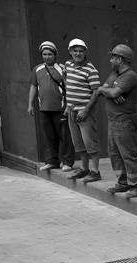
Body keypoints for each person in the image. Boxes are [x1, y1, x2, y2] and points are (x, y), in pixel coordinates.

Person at [92, 44, 137, 199]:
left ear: (120, 59)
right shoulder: (115, 74)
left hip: (124, 121)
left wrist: (109, 92)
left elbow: (110, 91)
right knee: (114, 153)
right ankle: (123, 182)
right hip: (113, 121)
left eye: (113, 57)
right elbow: (104, 89)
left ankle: (136, 185)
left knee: (128, 154)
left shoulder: (130, 76)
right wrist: (108, 92)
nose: (110, 60)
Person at [28, 41, 73, 173]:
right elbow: (33, 87)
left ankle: (67, 162)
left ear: (55, 55)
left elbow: (68, 88)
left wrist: (68, 105)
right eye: (44, 54)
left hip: (60, 108)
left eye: (49, 54)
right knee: (49, 137)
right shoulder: (37, 69)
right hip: (44, 109)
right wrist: (30, 104)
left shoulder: (62, 69)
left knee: (64, 136)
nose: (47, 57)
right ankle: (52, 161)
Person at [64, 38, 102, 183]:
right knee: (78, 143)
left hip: (85, 113)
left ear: (85, 52)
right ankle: (84, 169)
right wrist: (68, 105)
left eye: (81, 51)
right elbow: (67, 81)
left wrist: (86, 110)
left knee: (90, 143)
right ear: (70, 52)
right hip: (72, 111)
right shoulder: (67, 65)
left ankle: (95, 171)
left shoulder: (91, 70)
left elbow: (96, 92)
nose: (78, 53)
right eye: (75, 50)